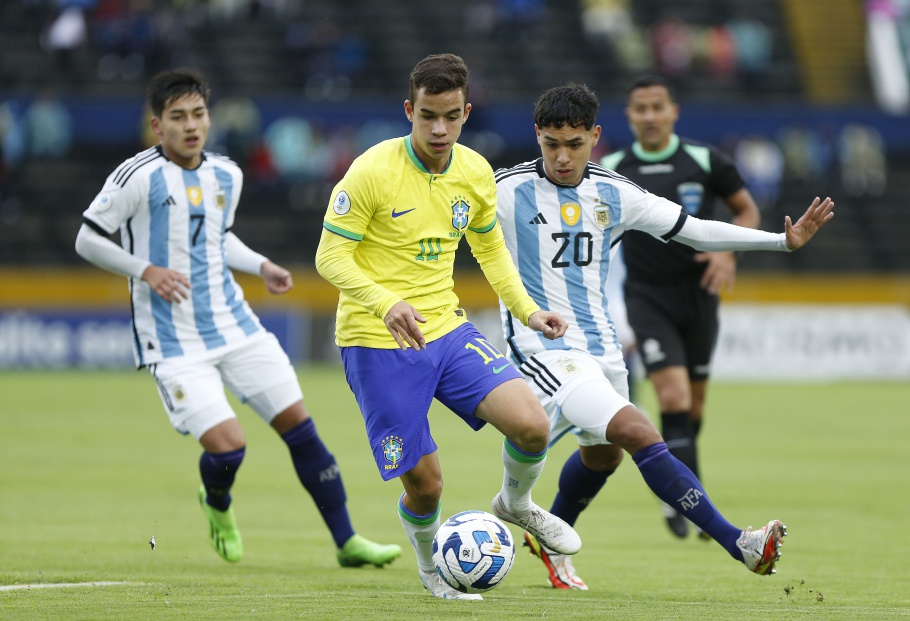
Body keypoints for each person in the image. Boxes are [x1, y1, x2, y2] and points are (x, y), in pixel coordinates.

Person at [494, 83, 833, 590]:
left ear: (595, 136)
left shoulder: (614, 191)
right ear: (536, 136)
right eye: (551, 144)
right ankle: (739, 542)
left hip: (601, 348)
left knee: (602, 455)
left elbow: (696, 229)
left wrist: (782, 241)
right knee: (637, 432)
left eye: (575, 143)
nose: (562, 157)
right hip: (543, 345)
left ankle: (544, 535)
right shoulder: (501, 189)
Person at [74, 68, 401, 569]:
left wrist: (260, 264)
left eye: (198, 114)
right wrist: (147, 270)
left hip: (235, 324)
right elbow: (88, 238)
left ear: (210, 118)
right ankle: (218, 503)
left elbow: (215, 237)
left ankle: (347, 541)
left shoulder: (227, 173)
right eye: (177, 117)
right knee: (229, 449)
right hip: (173, 340)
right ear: (157, 125)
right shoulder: (134, 177)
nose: (191, 125)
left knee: (302, 429)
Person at [314, 53, 581, 602]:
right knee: (427, 484)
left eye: (452, 116)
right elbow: (329, 257)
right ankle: (432, 567)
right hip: (376, 340)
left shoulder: (474, 171)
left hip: (446, 329)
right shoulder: (371, 170)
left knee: (532, 424)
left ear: (466, 113)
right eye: (428, 115)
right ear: (409, 110)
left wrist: (529, 311)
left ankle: (516, 504)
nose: (439, 129)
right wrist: (385, 302)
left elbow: (491, 251)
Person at [600, 74, 763, 540]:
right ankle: (691, 507)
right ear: (629, 116)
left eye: (657, 107)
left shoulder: (704, 159)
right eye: (639, 109)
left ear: (674, 111)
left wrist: (727, 252)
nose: (649, 116)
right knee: (672, 398)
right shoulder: (611, 167)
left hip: (700, 296)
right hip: (646, 296)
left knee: (692, 409)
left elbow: (746, 210)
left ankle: (684, 490)